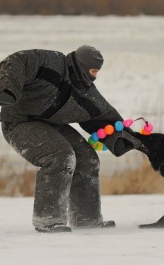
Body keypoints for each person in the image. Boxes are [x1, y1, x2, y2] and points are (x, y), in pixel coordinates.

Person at [0, 45, 141, 233]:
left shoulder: (85, 92)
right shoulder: (51, 63)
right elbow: (18, 61)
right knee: (60, 157)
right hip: (18, 123)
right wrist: (7, 89)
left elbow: (103, 117)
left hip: (49, 123)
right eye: (93, 71)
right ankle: (48, 220)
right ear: (82, 65)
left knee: (88, 160)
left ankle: (86, 219)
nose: (94, 76)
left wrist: (128, 139)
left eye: (97, 72)